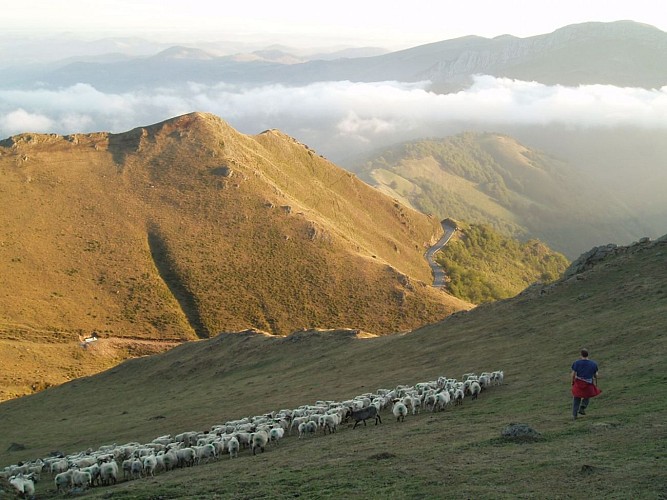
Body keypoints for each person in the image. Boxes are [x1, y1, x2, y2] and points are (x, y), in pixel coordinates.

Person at [571, 348, 601, 419]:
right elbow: (596, 375)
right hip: (588, 383)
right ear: (588, 354)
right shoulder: (593, 364)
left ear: (581, 355)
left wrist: (572, 381)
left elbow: (573, 374)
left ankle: (574, 415)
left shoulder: (577, 363)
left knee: (576, 397)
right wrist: (595, 380)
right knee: (587, 395)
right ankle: (583, 407)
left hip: (579, 382)